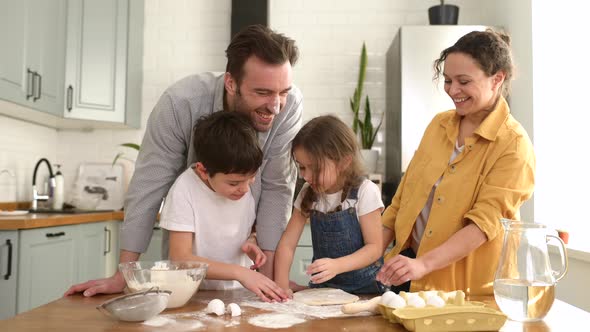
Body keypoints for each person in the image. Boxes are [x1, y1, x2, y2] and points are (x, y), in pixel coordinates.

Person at [64, 24, 302, 298]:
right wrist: (123, 274)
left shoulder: (290, 106)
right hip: (188, 284)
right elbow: (148, 186)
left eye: (283, 91)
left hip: (242, 282)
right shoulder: (180, 104)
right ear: (231, 83)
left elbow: (276, 187)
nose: (275, 106)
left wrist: (270, 279)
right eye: (262, 93)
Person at [375, 29, 535, 296]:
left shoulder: (514, 145)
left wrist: (423, 264)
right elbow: (403, 199)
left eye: (463, 81)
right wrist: (369, 253)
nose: (452, 90)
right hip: (410, 277)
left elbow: (483, 225)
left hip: (468, 290)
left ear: (497, 79)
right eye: (448, 80)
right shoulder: (439, 125)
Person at [161, 111, 286, 302]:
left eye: (250, 179)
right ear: (204, 171)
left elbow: (243, 224)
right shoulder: (184, 189)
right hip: (197, 296)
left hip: (240, 293)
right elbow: (180, 259)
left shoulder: (242, 180)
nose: (244, 189)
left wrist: (252, 240)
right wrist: (240, 273)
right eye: (234, 183)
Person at [274, 115, 385, 295]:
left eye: (315, 168)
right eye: (301, 167)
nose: (306, 177)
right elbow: (287, 244)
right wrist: (281, 285)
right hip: (325, 290)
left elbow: (374, 249)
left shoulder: (365, 192)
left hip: (366, 292)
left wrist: (337, 265)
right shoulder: (307, 194)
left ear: (344, 162)